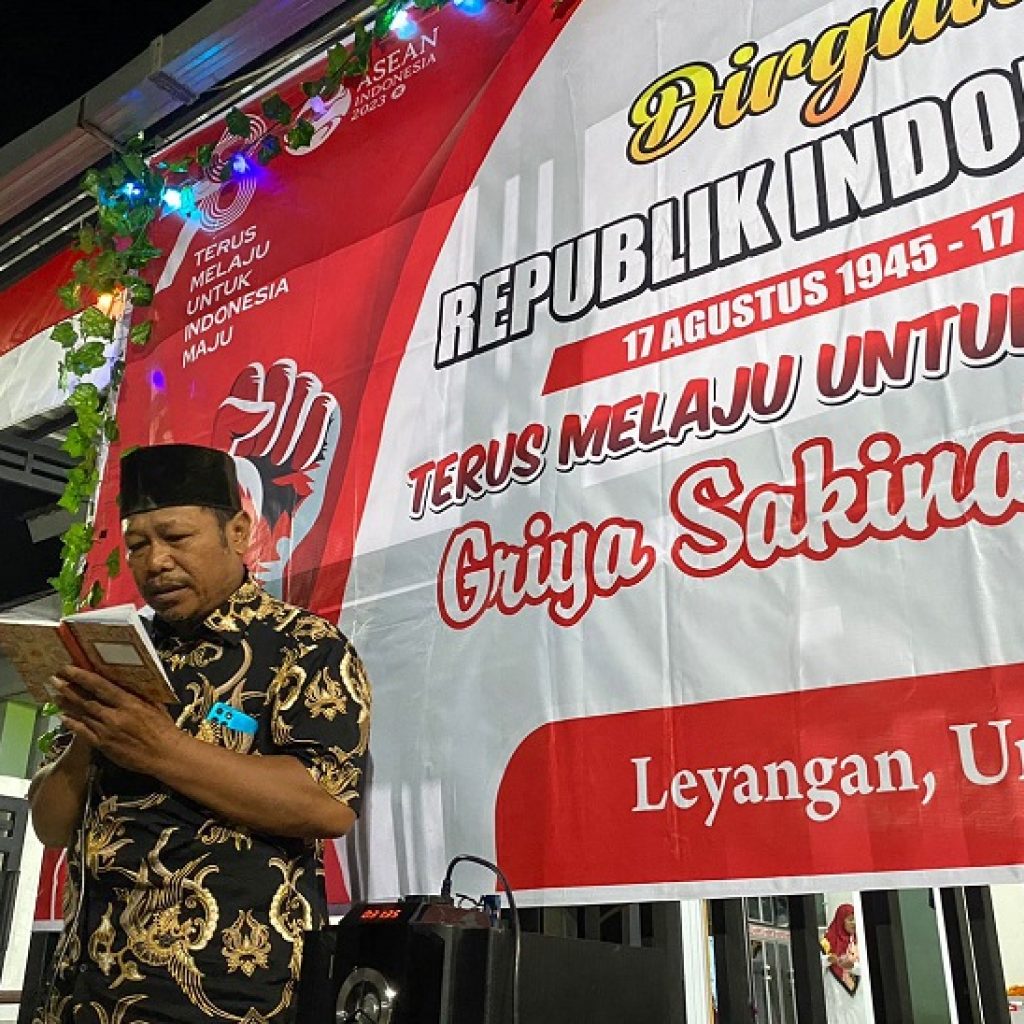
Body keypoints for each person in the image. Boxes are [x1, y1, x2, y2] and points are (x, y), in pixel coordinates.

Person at [29, 443, 372, 1024]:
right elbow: (50, 825)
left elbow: (329, 804)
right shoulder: (118, 651)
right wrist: (91, 734)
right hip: (83, 994)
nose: (155, 561)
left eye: (176, 538)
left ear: (238, 533)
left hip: (229, 995)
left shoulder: (304, 645)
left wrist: (162, 749)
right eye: (138, 545)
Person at [821, 903, 866, 1024]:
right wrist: (829, 960)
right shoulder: (827, 942)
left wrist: (852, 966)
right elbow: (815, 965)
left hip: (858, 998)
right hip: (835, 995)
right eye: (850, 919)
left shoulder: (860, 943)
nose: (854, 923)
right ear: (841, 920)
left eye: (856, 919)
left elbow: (867, 969)